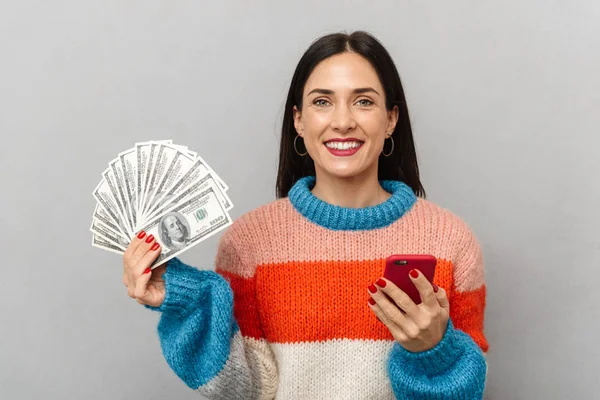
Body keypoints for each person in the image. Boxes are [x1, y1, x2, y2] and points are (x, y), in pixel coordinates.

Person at [122, 30, 489, 399]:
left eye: (363, 101)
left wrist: (432, 351)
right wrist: (185, 299)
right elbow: (245, 391)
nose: (343, 121)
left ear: (391, 119)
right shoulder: (249, 241)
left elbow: (467, 392)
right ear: (298, 120)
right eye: (322, 102)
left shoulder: (451, 241)